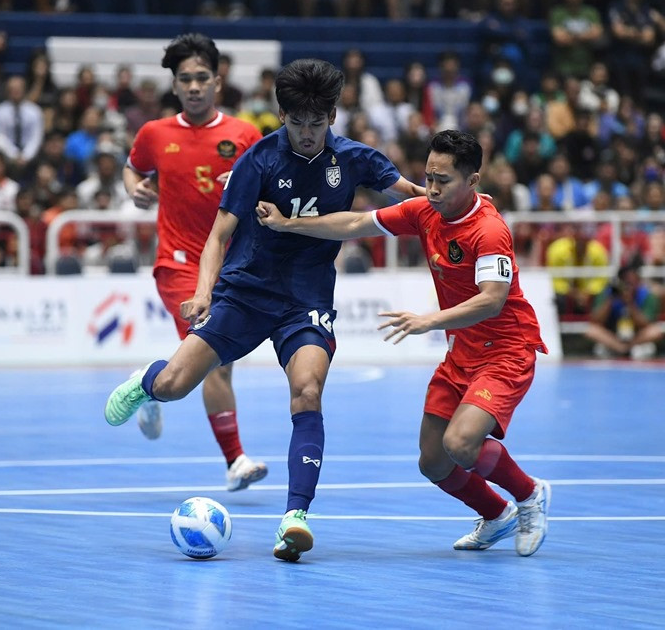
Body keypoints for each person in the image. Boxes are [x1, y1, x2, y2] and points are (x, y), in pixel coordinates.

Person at [105, 58, 424, 561]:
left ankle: (295, 515)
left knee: (308, 390)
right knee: (173, 386)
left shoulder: (355, 158)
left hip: (307, 300)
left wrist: (449, 201)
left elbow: (406, 192)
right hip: (245, 291)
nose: (306, 134)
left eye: (316, 124)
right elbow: (217, 237)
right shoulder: (258, 161)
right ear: (282, 117)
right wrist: (205, 292)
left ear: (332, 118)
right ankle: (145, 381)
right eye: (296, 123)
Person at [255, 129, 551, 557]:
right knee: (432, 460)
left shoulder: (489, 232)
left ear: (472, 182)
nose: (431, 187)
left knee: (460, 444)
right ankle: (496, 514)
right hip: (463, 351)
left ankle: (529, 494)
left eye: (443, 180)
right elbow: (356, 223)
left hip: (506, 350)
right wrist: (288, 224)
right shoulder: (425, 211)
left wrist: (428, 321)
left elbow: (491, 301)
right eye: (428, 176)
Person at [122, 33, 268, 491]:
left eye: (202, 77)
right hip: (179, 262)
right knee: (216, 359)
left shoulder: (244, 135)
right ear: (175, 85)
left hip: (233, 264)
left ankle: (151, 384)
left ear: (217, 82)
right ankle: (236, 461)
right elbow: (134, 167)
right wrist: (133, 187)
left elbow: (268, 187)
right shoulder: (154, 134)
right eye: (185, 79)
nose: (194, 86)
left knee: (209, 360)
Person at [584, 262, 665, 360]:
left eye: (632, 282)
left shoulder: (647, 296)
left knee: (655, 331)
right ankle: (620, 348)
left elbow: (645, 323)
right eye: (626, 282)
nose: (629, 286)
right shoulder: (608, 294)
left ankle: (628, 348)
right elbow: (596, 320)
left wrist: (630, 304)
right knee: (591, 331)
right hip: (613, 335)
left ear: (638, 281)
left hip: (636, 336)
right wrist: (610, 301)